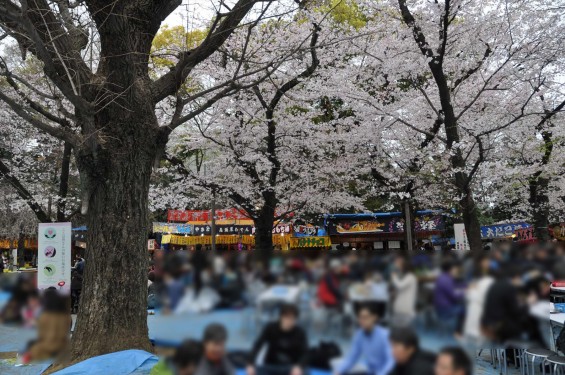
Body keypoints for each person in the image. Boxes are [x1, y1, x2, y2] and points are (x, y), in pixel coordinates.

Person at [247, 304, 308, 375]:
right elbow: (258, 345)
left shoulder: (300, 332)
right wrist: (250, 363)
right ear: (281, 317)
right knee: (254, 371)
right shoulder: (270, 328)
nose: (289, 321)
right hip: (271, 366)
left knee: (306, 371)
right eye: (287, 317)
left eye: (292, 318)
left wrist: (299, 366)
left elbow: (305, 353)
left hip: (291, 367)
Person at [335, 304, 394, 375]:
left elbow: (391, 361)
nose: (362, 320)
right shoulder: (359, 335)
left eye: (365, 317)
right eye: (360, 317)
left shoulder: (385, 335)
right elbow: (352, 357)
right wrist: (339, 371)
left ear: (374, 317)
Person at [23, 288, 72, 363]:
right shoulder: (67, 315)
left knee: (30, 345)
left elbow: (41, 336)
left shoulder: (45, 316)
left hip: (49, 347)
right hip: (64, 346)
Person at [433, 261, 465, 332]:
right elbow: (454, 296)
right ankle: (458, 331)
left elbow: (454, 286)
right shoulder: (447, 280)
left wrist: (466, 286)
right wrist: (464, 292)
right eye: (456, 270)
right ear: (451, 269)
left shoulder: (443, 277)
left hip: (439, 307)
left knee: (460, 305)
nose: (457, 271)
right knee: (464, 310)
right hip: (445, 309)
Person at [390, 255, 418, 326]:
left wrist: (394, 277)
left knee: (402, 326)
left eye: (401, 266)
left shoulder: (410, 277)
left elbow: (400, 285)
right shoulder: (408, 276)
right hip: (403, 306)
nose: (400, 267)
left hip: (404, 308)